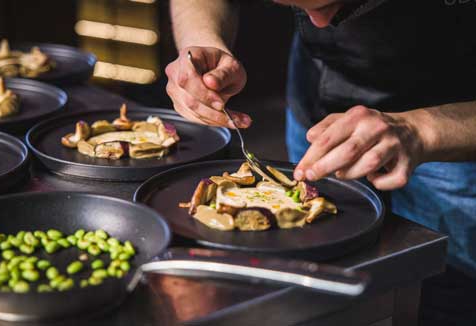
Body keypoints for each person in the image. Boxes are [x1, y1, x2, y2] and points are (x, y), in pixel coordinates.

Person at [165, 1, 476, 324]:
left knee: (443, 297)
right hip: (320, 94)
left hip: (457, 129)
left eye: (342, 5)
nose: (317, 23)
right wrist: (201, 43)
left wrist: (422, 130)